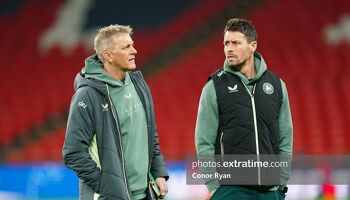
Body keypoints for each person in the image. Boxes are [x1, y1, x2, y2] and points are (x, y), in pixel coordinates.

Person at [62, 24, 169, 200]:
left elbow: (150, 135)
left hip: (145, 194)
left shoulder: (139, 84)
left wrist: (158, 172)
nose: (134, 50)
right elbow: (73, 152)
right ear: (108, 56)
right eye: (126, 47)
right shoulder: (87, 95)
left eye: (132, 45)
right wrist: (108, 189)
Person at [195, 18, 293, 200]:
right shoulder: (214, 87)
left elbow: (285, 137)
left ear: (252, 46)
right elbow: (203, 142)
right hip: (231, 190)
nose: (229, 48)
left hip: (271, 192)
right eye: (226, 43)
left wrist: (281, 182)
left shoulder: (277, 85)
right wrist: (214, 187)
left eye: (235, 43)